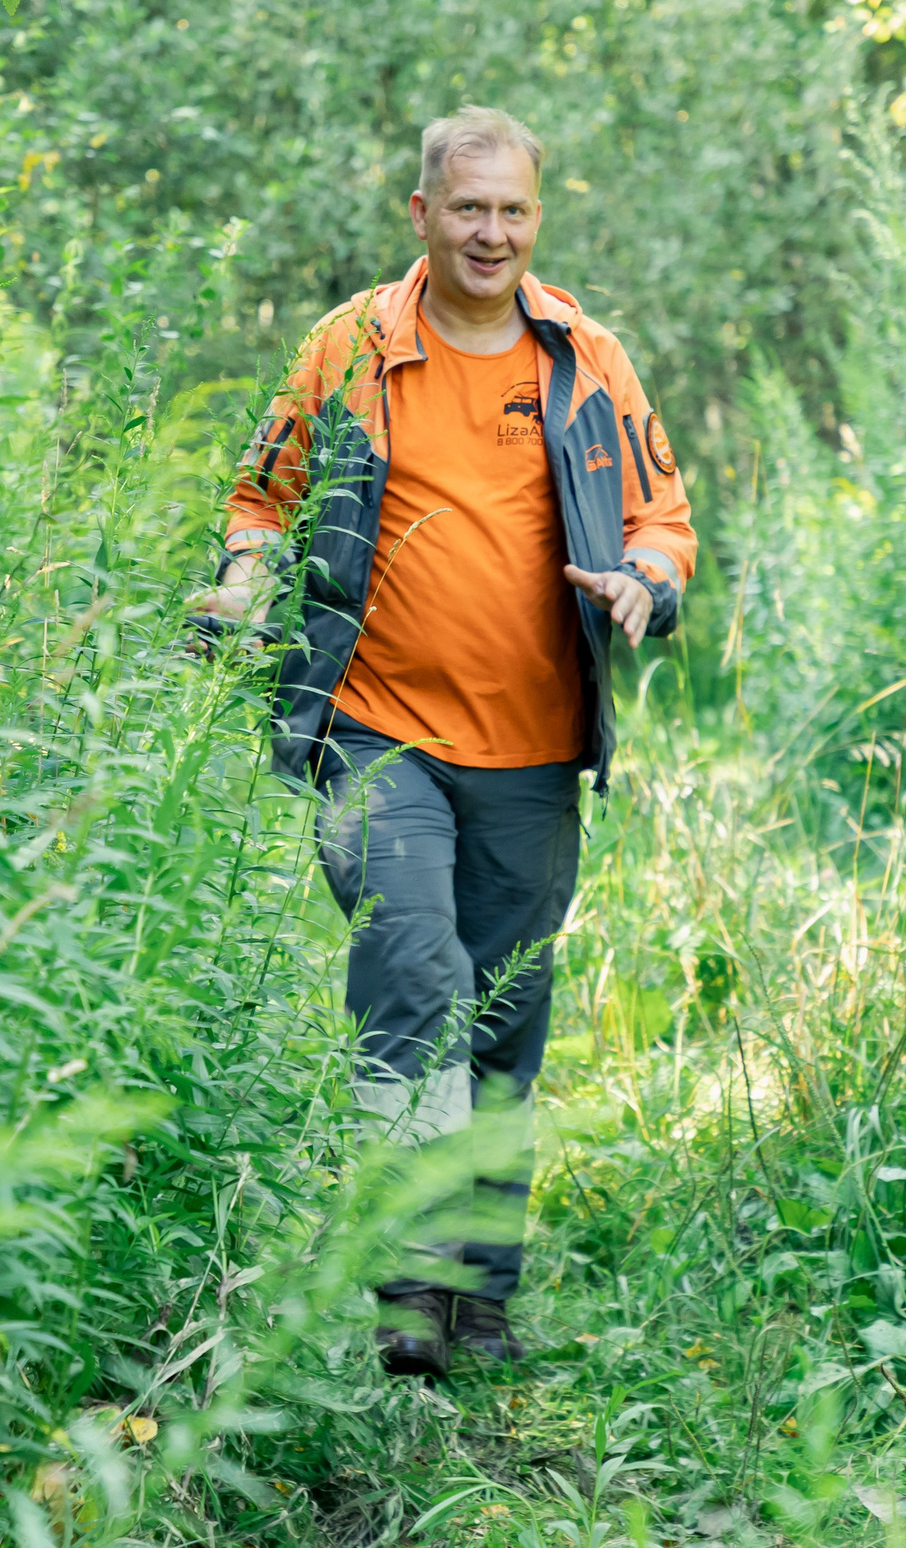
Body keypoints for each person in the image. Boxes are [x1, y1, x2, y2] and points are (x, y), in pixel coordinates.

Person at [196, 107, 697, 1377]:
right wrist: (248, 577)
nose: (491, 232)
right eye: (467, 208)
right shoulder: (351, 345)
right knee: (414, 978)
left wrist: (647, 580)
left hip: (531, 750)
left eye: (512, 210)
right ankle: (405, 1285)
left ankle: (481, 1292)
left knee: (502, 1015)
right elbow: (264, 495)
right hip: (375, 732)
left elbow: (664, 520)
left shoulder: (586, 362)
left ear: (539, 216)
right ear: (420, 214)